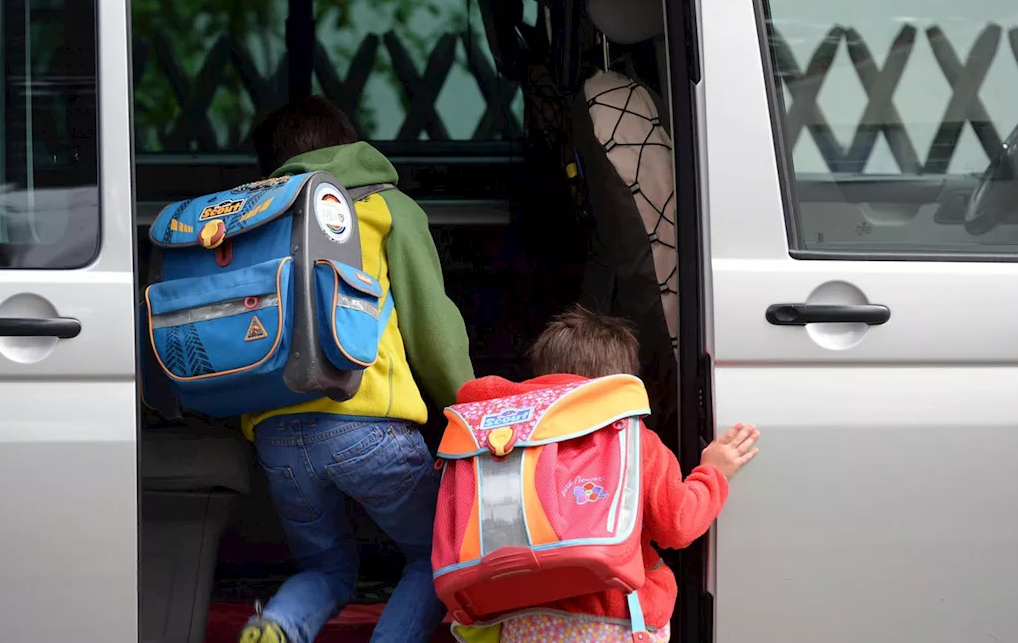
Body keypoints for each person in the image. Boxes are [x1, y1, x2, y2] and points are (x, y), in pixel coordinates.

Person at [239, 95, 475, 643]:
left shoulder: (253, 216)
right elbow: (432, 327)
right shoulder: (383, 207)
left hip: (276, 436)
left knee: (324, 568)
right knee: (436, 554)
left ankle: (276, 625)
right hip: (369, 426)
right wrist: (471, 405)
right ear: (349, 145)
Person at [451, 304, 759, 642]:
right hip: (613, 621)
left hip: (521, 621)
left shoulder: (504, 442)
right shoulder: (634, 441)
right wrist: (712, 473)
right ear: (619, 384)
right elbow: (677, 524)